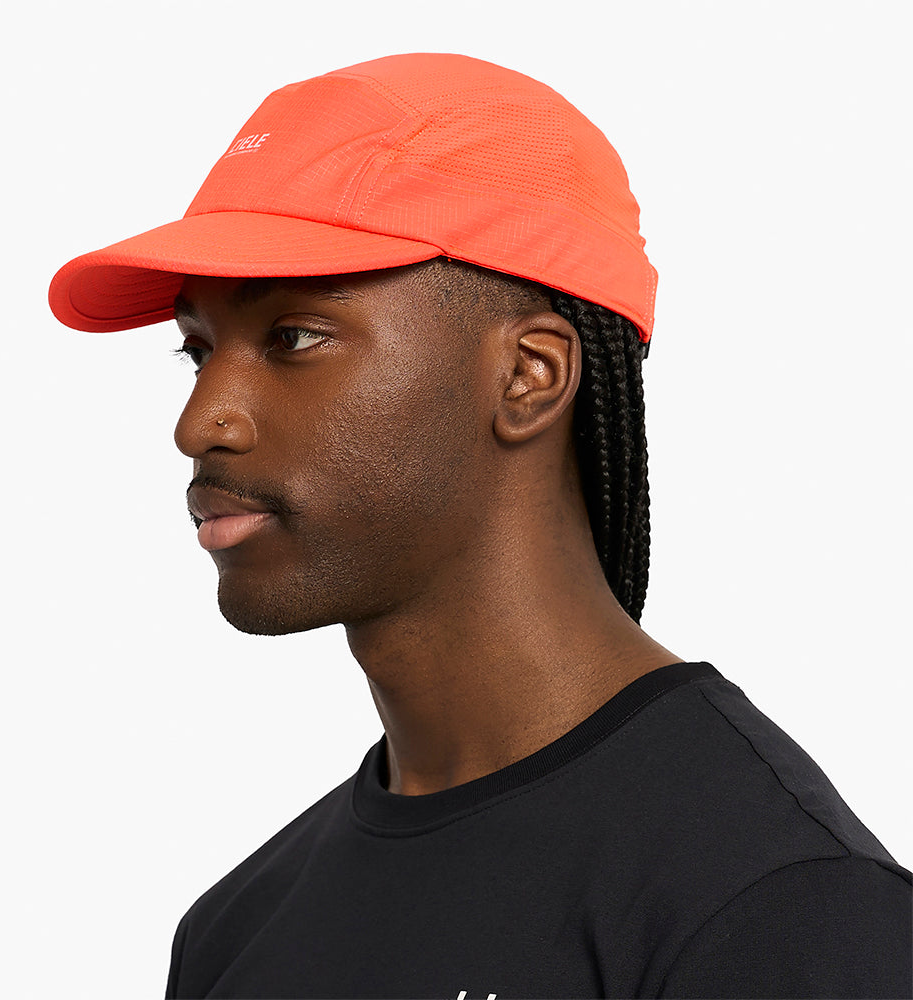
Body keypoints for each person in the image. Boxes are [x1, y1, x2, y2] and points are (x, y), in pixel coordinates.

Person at [48, 53, 911, 1000]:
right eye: (197, 350)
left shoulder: (780, 906)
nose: (200, 424)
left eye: (293, 337)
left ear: (530, 375)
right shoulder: (233, 931)